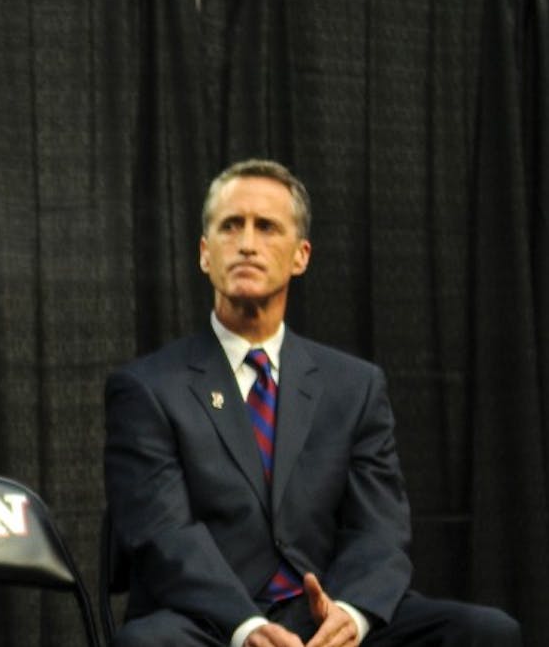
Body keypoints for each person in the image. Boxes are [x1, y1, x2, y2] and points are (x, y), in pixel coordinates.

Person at [103, 159, 521, 647]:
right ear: (204, 254)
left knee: (486, 631)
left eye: (267, 227)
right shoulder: (148, 388)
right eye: (230, 226)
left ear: (300, 256)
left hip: (325, 616)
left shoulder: (355, 386)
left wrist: (351, 615)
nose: (247, 243)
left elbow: (380, 528)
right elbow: (164, 535)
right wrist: (248, 627)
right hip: (211, 623)